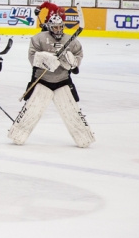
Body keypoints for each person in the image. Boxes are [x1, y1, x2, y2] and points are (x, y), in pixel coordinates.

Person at [8, 12, 95, 148]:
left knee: (72, 111)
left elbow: (78, 55)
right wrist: (46, 59)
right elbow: (32, 56)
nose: (58, 30)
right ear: (49, 27)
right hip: (42, 80)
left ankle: (83, 137)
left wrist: (73, 62)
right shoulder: (38, 38)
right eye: (55, 27)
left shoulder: (71, 40)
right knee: (32, 110)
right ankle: (18, 134)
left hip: (63, 80)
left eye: (60, 27)